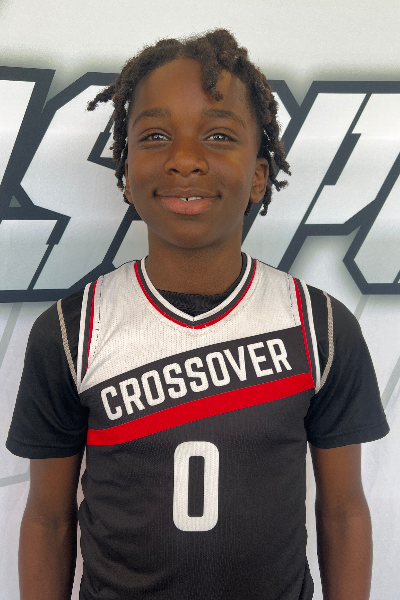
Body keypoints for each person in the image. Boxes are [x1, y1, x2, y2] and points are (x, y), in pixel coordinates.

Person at [6, 29, 389, 600]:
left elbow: (343, 512)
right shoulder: (70, 330)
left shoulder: (321, 327)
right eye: (156, 136)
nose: (185, 159)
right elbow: (48, 519)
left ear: (259, 175)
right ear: (126, 170)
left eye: (218, 136)